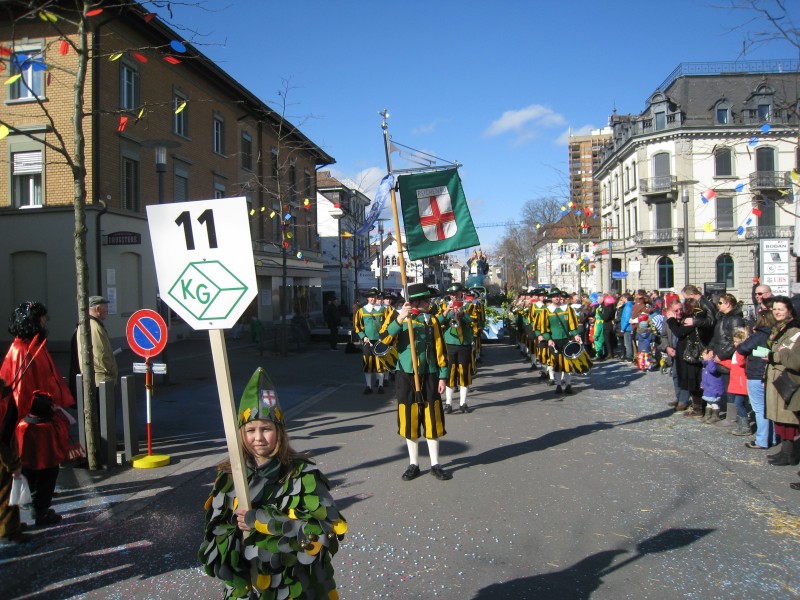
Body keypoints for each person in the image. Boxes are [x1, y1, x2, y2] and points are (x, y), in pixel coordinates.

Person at [199, 368, 346, 599]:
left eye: (266, 429)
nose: (258, 438)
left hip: (295, 585)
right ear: (241, 433)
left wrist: (262, 521)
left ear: (279, 431)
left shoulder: (303, 473)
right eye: (250, 430)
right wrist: (233, 532)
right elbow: (214, 538)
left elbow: (322, 532)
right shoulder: (228, 477)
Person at [0, 302, 75, 527]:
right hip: (33, 421)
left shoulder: (32, 346)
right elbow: (19, 392)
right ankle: (39, 510)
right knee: (43, 467)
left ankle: (34, 507)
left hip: (37, 417)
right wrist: (41, 407)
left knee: (38, 468)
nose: (45, 322)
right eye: (41, 318)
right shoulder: (22, 350)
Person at [381, 283, 451, 481]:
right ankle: (414, 464)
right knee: (409, 418)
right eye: (427, 300)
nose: (430, 303)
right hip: (406, 374)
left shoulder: (433, 320)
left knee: (432, 418)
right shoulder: (398, 318)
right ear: (416, 301)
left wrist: (443, 375)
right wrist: (399, 320)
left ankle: (435, 464)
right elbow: (382, 343)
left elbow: (440, 349)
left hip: (429, 374)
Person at [762, 296, 800, 467]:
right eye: (775, 309)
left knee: (787, 418)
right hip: (775, 374)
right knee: (779, 417)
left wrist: (773, 355)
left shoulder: (793, 329)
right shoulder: (779, 327)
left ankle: (789, 453)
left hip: (785, 376)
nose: (776, 312)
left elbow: (790, 354)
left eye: (780, 309)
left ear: (789, 311)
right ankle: (785, 451)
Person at [666, 296, 714, 418]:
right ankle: (696, 406)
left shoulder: (693, 319)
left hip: (692, 355)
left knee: (694, 382)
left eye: (683, 308)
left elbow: (679, 332)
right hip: (687, 354)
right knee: (690, 381)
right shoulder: (695, 318)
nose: (680, 311)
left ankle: (698, 409)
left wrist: (671, 320)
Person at [536, 290, 589, 395]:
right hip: (554, 341)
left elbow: (572, 324)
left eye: (558, 296)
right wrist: (549, 339)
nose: (556, 298)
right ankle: (558, 385)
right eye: (554, 296)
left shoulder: (567, 309)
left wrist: (576, 335)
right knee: (557, 364)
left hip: (566, 339)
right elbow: (544, 328)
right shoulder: (546, 311)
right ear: (551, 298)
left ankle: (568, 385)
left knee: (568, 363)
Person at [737, 309, 777, 450]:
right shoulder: (775, 334)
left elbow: (742, 348)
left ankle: (761, 440)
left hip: (756, 374)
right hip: (770, 374)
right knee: (769, 408)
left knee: (759, 409)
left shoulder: (759, 335)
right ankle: (771, 438)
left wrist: (751, 340)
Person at [708, 293, 745, 428]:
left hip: (728, 359)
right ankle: (728, 415)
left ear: (728, 304)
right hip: (719, 356)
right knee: (725, 386)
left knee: (731, 388)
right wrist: (710, 348)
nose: (718, 305)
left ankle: (732, 417)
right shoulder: (722, 318)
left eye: (720, 303)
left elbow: (736, 340)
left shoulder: (735, 319)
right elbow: (717, 336)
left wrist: (722, 355)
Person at [75, 295, 119, 401]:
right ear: (97, 309)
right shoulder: (95, 327)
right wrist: (112, 371)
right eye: (105, 308)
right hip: (101, 379)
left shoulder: (86, 324)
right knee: (104, 413)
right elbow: (101, 355)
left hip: (94, 378)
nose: (107, 311)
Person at [0, 378, 27, 545]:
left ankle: (10, 526)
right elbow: (5, 434)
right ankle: (8, 530)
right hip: (4, 449)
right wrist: (13, 462)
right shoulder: (5, 401)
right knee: (6, 489)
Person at [438, 294, 474, 414]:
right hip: (450, 344)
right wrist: (447, 311)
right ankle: (448, 403)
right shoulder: (443, 305)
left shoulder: (469, 305)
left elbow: (473, 321)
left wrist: (462, 314)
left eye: (457, 294)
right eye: (452, 295)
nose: (454, 297)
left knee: (464, 373)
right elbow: (437, 322)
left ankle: (463, 403)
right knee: (450, 373)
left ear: (461, 294)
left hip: (464, 344)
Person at [353, 288, 390, 394]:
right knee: (367, 363)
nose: (372, 299)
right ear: (367, 298)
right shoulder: (362, 311)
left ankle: (380, 385)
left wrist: (384, 337)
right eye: (370, 297)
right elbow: (357, 326)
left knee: (380, 363)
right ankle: (368, 386)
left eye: (374, 297)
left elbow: (388, 324)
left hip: (380, 341)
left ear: (376, 298)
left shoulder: (384, 310)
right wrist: (363, 336)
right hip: (367, 341)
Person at [716, 328, 751, 436]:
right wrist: (722, 362)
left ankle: (745, 426)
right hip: (736, 382)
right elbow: (733, 365)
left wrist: (740, 349)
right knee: (739, 404)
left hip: (741, 383)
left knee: (739, 404)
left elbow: (740, 363)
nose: (734, 344)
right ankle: (742, 425)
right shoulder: (738, 352)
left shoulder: (742, 352)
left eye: (736, 342)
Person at [699, 348, 725, 423]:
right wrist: (702, 384)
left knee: (714, 402)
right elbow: (705, 376)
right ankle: (708, 415)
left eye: (704, 354)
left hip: (714, 387)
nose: (702, 356)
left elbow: (712, 370)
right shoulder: (705, 365)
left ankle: (715, 416)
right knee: (709, 402)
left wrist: (710, 360)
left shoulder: (712, 363)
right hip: (708, 387)